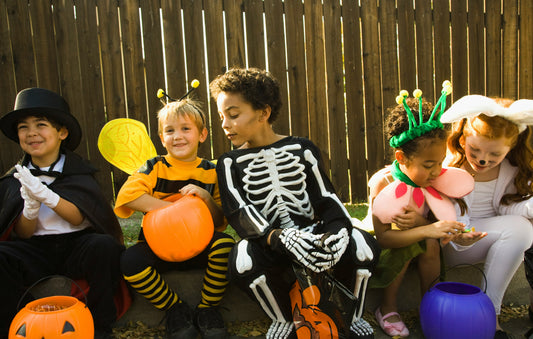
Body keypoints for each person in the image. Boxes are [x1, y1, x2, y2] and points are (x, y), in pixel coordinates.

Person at [210, 67, 380, 339]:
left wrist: (338, 231)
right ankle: (283, 318)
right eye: (221, 117)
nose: (225, 124)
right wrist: (277, 237)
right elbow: (238, 210)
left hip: (312, 233)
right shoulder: (229, 162)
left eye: (233, 115)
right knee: (242, 261)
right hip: (270, 241)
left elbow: (326, 195)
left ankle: (352, 314)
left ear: (263, 113)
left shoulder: (302, 148)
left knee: (363, 247)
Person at [0, 88, 124, 339]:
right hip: (35, 248)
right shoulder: (14, 180)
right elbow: (22, 233)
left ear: (62, 133)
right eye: (23, 127)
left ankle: (101, 326)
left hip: (77, 246)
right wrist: (31, 206)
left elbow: (79, 217)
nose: (31, 132)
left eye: (41, 124)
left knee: (103, 246)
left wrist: (49, 197)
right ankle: (12, 326)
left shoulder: (80, 174)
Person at [367, 84, 486, 337]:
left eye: (440, 162)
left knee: (431, 243)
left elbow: (437, 224)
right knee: (420, 241)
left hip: (426, 248)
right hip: (389, 250)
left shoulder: (436, 181)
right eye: (429, 164)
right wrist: (428, 228)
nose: (436, 171)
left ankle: (430, 305)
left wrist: (456, 234)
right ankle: (386, 307)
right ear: (401, 157)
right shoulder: (384, 183)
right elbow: (384, 238)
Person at [115, 91, 235, 339]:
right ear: (161, 138)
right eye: (170, 131)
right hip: (158, 246)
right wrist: (175, 211)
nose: (177, 136)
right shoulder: (154, 166)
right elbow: (128, 196)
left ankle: (208, 309)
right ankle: (174, 309)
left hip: (199, 244)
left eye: (185, 129)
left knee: (225, 245)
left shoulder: (211, 172)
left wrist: (205, 198)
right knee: (130, 261)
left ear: (202, 135)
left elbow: (220, 221)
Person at [440, 95, 533, 338]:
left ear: (509, 149)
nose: (483, 159)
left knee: (523, 225)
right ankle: (488, 315)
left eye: (494, 155)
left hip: (491, 235)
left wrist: (530, 207)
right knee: (521, 228)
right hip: (454, 242)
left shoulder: (511, 170)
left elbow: (507, 209)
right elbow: (445, 214)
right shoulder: (451, 168)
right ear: (462, 139)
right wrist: (459, 234)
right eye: (475, 149)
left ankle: (489, 315)